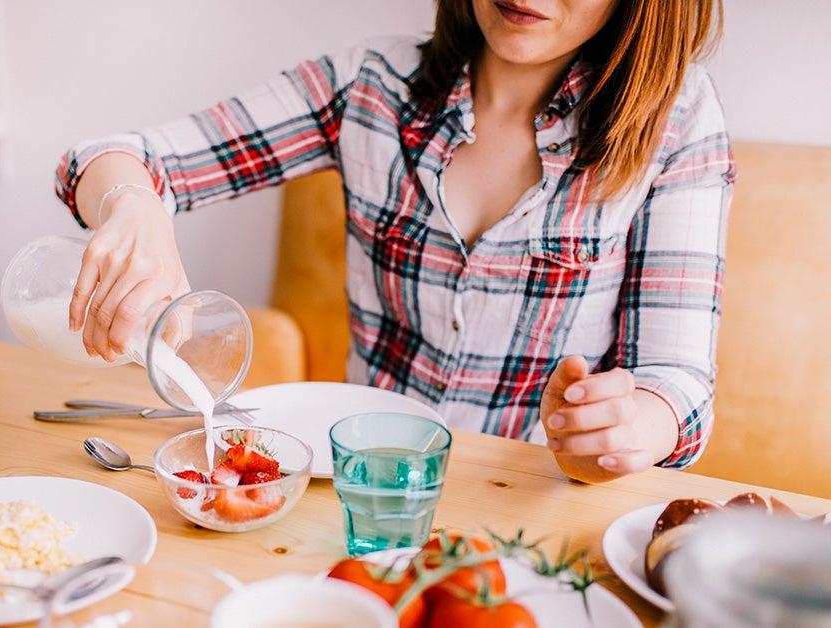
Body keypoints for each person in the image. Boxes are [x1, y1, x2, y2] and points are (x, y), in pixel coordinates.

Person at [53, 0, 734, 485]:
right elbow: (107, 157)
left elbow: (677, 387)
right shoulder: (370, 85)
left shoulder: (677, 122)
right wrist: (133, 202)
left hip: (537, 499)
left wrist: (626, 428)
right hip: (359, 489)